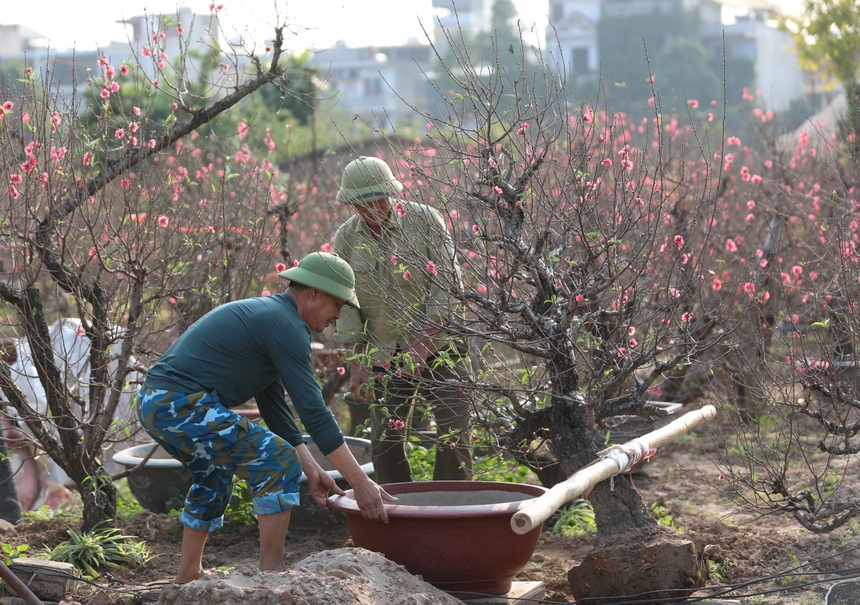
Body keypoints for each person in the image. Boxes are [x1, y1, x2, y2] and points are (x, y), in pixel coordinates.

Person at [137, 251, 394, 583]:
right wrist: (361, 483)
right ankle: (272, 574)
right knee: (278, 460)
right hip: (180, 402)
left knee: (214, 473)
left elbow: (274, 407)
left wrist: (312, 467)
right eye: (338, 305)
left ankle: (188, 573)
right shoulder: (287, 325)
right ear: (314, 293)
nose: (338, 317)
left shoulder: (273, 318)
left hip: (156, 402)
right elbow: (313, 411)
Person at [333, 156, 473, 485]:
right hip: (384, 352)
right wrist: (357, 366)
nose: (372, 209)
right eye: (362, 204)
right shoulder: (347, 238)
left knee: (453, 433)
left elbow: (447, 290)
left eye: (377, 199)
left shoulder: (425, 221)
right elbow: (346, 305)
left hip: (440, 345)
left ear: (391, 193)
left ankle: (450, 510)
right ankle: (397, 510)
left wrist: (419, 349)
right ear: (352, 204)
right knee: (384, 442)